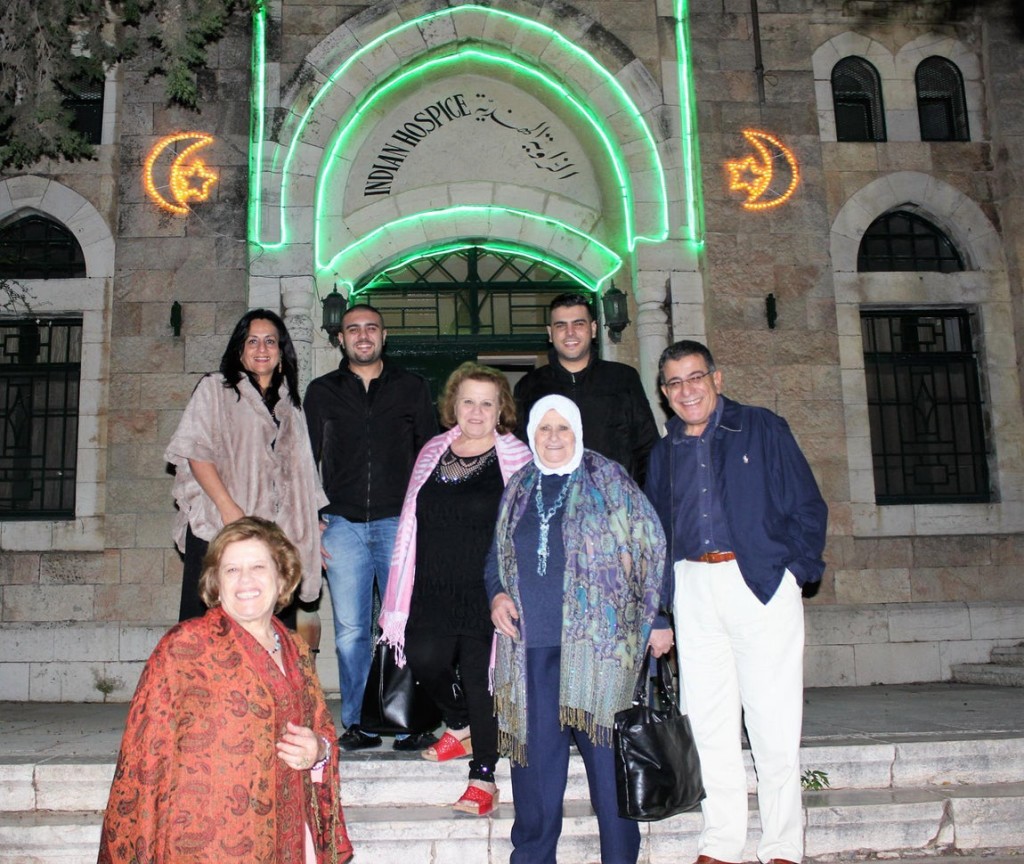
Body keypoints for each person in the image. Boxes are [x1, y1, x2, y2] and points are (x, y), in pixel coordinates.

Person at [644, 340, 829, 864]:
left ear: (716, 379)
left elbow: (807, 505)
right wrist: (660, 608)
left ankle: (782, 846)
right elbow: (656, 536)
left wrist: (796, 571)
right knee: (707, 722)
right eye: (675, 383)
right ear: (664, 393)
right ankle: (722, 842)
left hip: (760, 583)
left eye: (695, 377)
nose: (687, 390)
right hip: (694, 588)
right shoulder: (662, 454)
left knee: (772, 721)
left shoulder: (763, 428)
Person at [97, 517, 352, 864]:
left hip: (291, 836)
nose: (245, 580)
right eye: (232, 570)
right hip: (203, 842)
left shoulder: (297, 651)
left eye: (258, 567)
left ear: (281, 578)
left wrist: (318, 751)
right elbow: (143, 761)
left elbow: (321, 730)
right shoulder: (185, 647)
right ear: (216, 584)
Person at [487, 395, 672, 863]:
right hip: (530, 648)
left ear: (577, 431)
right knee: (534, 772)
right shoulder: (519, 488)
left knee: (608, 769)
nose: (553, 438)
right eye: (544, 429)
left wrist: (659, 617)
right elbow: (496, 557)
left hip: (600, 651)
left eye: (562, 428)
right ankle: (532, 857)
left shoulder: (609, 480)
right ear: (532, 435)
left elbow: (650, 546)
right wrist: (497, 594)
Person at [379, 362, 532, 815]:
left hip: (487, 589)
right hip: (428, 584)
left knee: (482, 680)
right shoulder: (432, 451)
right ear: (453, 404)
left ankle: (483, 776)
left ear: (501, 408)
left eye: (488, 402)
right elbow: (411, 518)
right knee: (424, 661)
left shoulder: (518, 458)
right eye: (468, 400)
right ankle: (460, 723)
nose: (477, 410)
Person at [304, 302, 438, 751]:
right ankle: (358, 722)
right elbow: (304, 461)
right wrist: (310, 520)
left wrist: (426, 521)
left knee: (406, 625)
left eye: (371, 328)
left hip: (400, 523)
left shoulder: (413, 388)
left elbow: (430, 458)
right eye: (353, 329)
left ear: (384, 337)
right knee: (350, 631)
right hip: (340, 524)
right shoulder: (321, 391)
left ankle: (408, 722)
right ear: (340, 339)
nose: (363, 336)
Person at [165, 309, 326, 622]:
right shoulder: (216, 389)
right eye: (252, 341)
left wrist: (311, 522)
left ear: (282, 353)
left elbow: (303, 472)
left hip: (272, 537)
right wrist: (229, 511)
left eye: (270, 341)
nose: (262, 348)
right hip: (219, 528)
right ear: (239, 350)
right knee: (211, 628)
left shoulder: (291, 407)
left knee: (272, 628)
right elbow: (196, 451)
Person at [513, 292, 658, 484]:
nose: (570, 332)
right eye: (561, 325)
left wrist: (636, 498)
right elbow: (521, 452)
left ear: (593, 329)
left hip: (614, 505)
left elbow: (647, 446)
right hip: (554, 504)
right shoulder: (530, 386)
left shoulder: (623, 378)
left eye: (578, 324)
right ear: (550, 333)